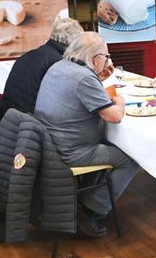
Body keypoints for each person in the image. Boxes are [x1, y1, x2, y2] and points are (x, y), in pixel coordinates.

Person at [34, 32, 139, 237]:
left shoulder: (59, 66)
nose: (108, 61)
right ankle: (91, 210)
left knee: (115, 147)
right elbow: (114, 116)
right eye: (107, 57)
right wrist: (120, 101)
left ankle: (89, 197)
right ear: (95, 59)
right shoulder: (83, 78)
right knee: (131, 158)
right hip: (71, 151)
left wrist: (97, 79)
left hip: (50, 144)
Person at [2, 17, 83, 113]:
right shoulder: (57, 62)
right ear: (73, 42)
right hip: (29, 120)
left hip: (8, 115)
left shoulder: (32, 54)